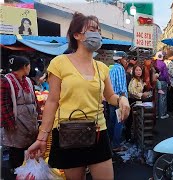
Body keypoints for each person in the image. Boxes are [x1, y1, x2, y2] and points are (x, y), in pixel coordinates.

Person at [26, 12, 130, 179]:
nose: (97, 33)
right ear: (77, 35)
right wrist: (42, 137)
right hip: (68, 133)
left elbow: (110, 96)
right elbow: (52, 102)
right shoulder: (59, 63)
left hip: (98, 131)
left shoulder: (102, 67)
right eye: (91, 29)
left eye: (98, 29)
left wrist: (122, 99)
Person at [1, 56, 39, 177]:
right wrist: (10, 124)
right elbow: (3, 105)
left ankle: (29, 176)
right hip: (16, 124)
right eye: (29, 66)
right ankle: (17, 175)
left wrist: (37, 113)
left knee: (30, 152)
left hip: (30, 122)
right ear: (24, 67)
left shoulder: (28, 80)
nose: (30, 68)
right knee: (16, 153)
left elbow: (34, 100)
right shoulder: (6, 81)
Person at [109, 51, 129, 152]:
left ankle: (110, 144)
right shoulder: (120, 69)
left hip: (111, 100)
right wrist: (124, 103)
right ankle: (116, 145)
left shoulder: (111, 68)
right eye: (125, 59)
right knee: (119, 122)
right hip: (119, 100)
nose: (126, 62)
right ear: (120, 59)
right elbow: (122, 89)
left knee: (112, 122)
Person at [155, 51, 170, 119]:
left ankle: (156, 113)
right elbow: (166, 75)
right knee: (163, 98)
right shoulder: (163, 64)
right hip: (162, 82)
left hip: (155, 81)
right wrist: (169, 82)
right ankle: (163, 114)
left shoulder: (154, 63)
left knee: (156, 98)